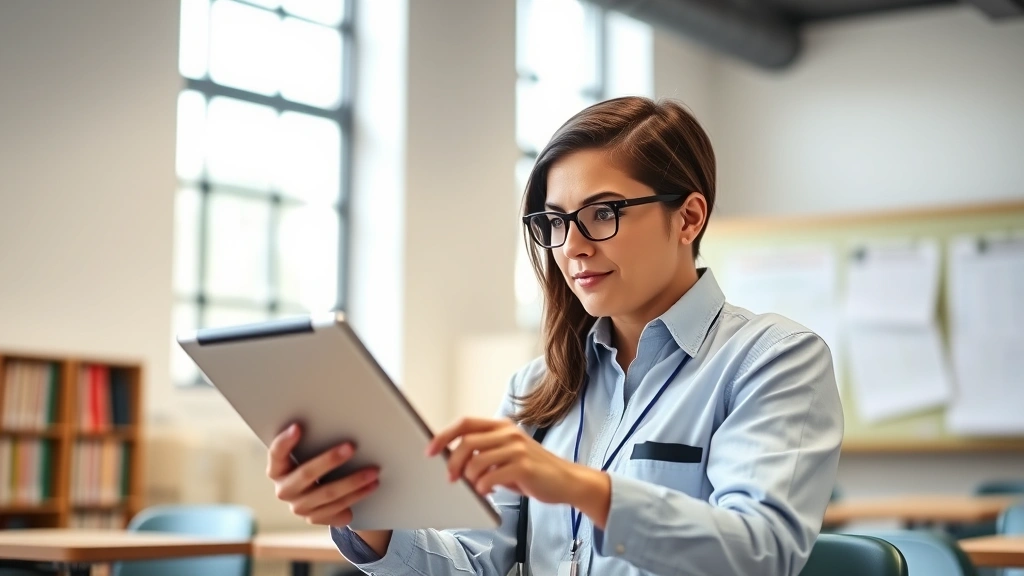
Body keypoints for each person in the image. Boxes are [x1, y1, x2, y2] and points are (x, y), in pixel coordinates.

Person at [265, 96, 844, 576]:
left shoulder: (773, 361)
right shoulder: (538, 386)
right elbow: (476, 564)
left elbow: (761, 553)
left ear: (689, 217)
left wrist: (578, 486)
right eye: (556, 221)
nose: (572, 246)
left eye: (603, 213)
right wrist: (367, 516)